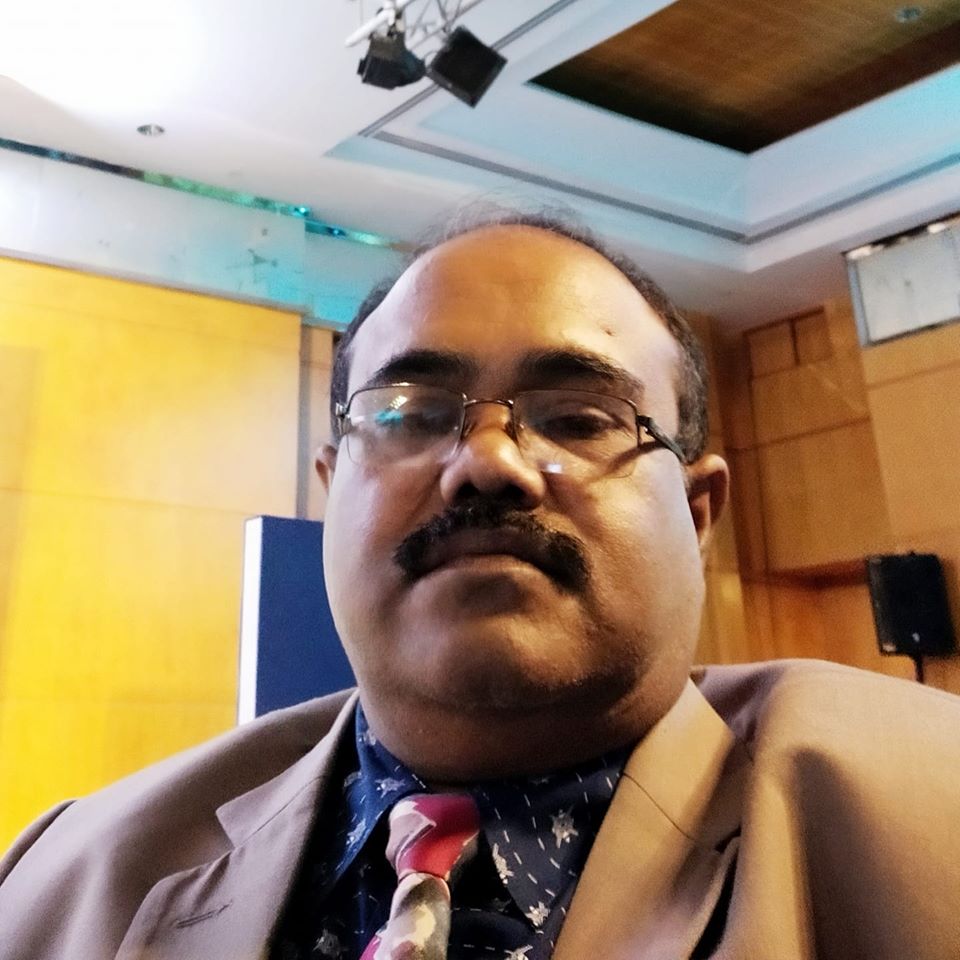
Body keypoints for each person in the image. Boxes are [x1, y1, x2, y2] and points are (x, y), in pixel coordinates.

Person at [1, 212, 959, 960]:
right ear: (332, 492)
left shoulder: (930, 820)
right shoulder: (59, 881)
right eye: (412, 414)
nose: (488, 463)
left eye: (579, 416)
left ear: (698, 513)